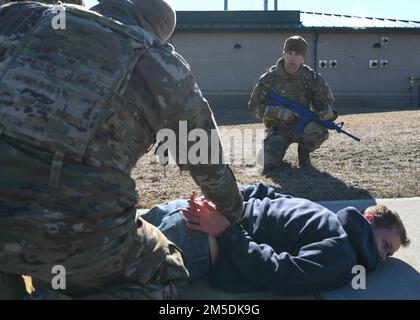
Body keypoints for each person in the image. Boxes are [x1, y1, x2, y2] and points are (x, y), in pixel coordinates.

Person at [0, 0, 244, 299]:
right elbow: (208, 164)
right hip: (76, 231)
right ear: (157, 32)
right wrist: (235, 216)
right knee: (167, 272)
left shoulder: (23, 16)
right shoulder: (163, 67)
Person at [142, 183, 410, 295]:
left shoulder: (318, 211)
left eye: (389, 255)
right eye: (386, 246)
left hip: (185, 213)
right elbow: (282, 274)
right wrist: (225, 229)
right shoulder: (343, 256)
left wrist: (220, 203)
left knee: (103, 241)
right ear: (369, 221)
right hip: (196, 240)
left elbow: (261, 191)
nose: (382, 257)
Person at [248, 35, 338, 170]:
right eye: (289, 53)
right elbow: (253, 107)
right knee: (266, 164)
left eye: (297, 54)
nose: (293, 58)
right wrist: (279, 113)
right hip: (278, 129)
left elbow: (329, 106)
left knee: (318, 131)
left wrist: (325, 111)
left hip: (304, 127)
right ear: (284, 54)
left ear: (303, 58)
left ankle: (304, 153)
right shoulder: (269, 78)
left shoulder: (312, 78)